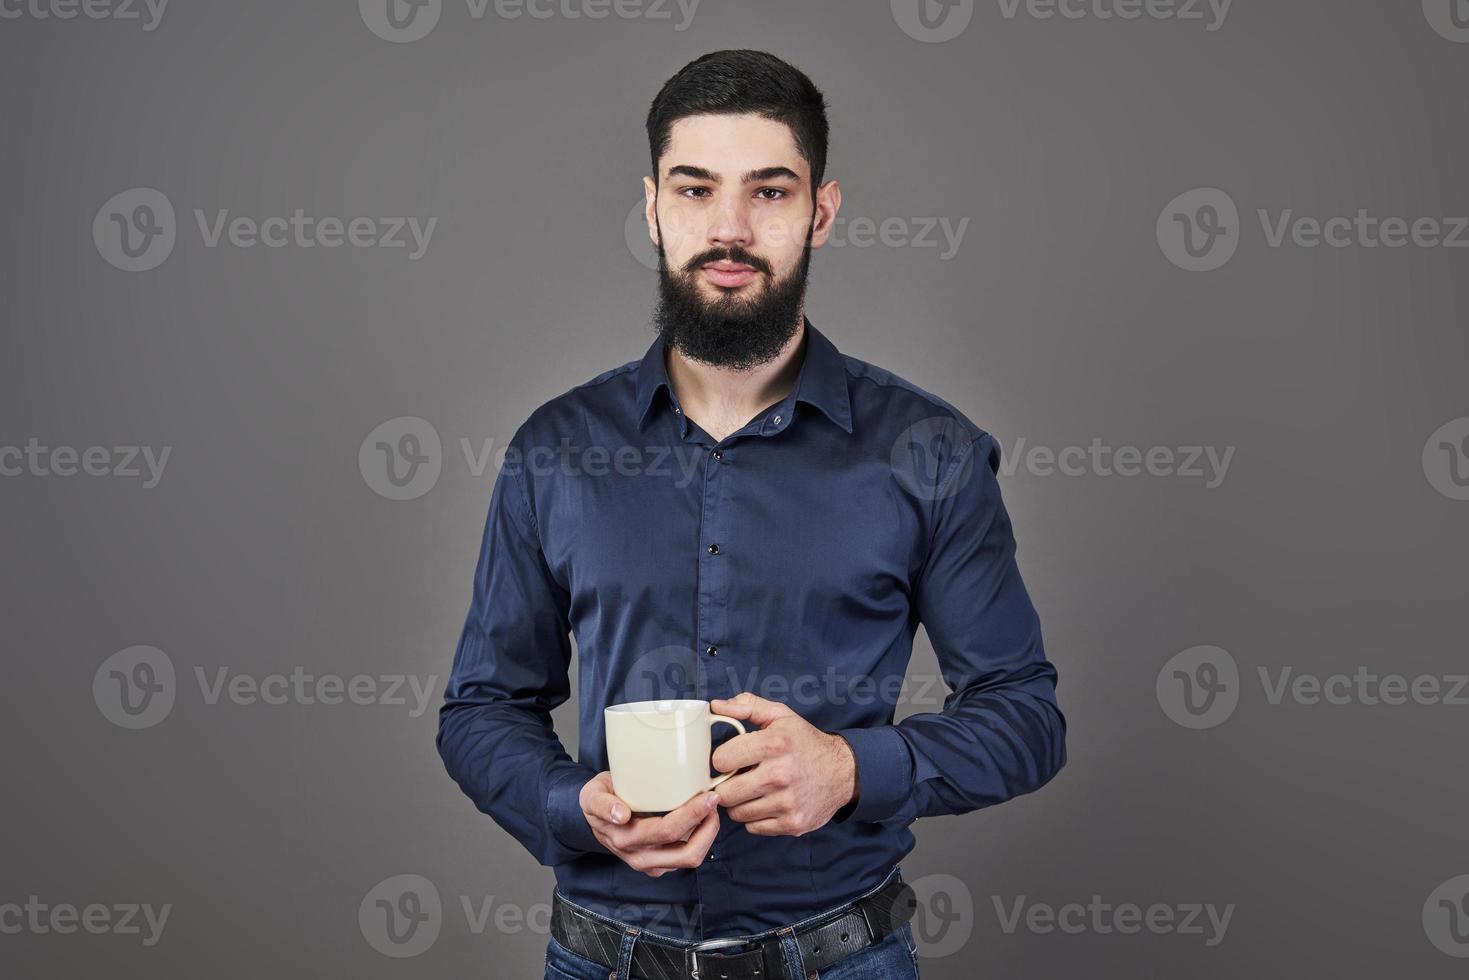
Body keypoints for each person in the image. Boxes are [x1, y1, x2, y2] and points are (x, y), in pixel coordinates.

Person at [437, 48, 1067, 980]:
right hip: (600, 959)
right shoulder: (555, 449)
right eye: (695, 190)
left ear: (821, 211)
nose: (727, 228)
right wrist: (576, 807)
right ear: (651, 207)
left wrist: (854, 770)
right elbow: (482, 706)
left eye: (768, 192)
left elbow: (1026, 717)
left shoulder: (929, 452)